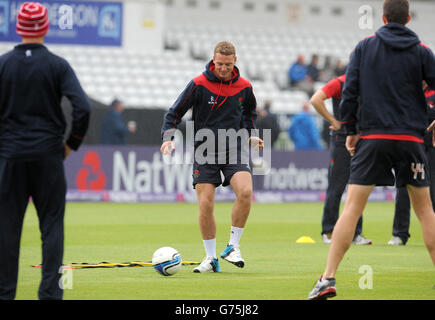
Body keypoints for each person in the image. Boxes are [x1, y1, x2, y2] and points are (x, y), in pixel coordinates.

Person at [308, 0, 435, 300]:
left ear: (382, 17)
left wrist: (350, 131)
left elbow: (350, 91)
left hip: (374, 137)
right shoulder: (421, 51)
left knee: (352, 207)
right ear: (407, 18)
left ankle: (327, 279)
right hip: (412, 140)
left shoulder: (365, 47)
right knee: (426, 210)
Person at [0, 2, 90, 300]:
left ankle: (5, 293)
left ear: (18, 28)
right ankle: (50, 292)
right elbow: (82, 107)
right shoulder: (57, 65)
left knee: (7, 229)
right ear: (45, 28)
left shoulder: (3, 64)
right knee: (51, 225)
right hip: (48, 155)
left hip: (10, 156)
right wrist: (70, 144)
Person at [160, 41, 263, 273]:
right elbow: (174, 112)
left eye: (227, 64)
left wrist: (253, 135)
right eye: (219, 64)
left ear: (235, 61)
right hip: (204, 151)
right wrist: (168, 138)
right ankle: (210, 258)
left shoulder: (245, 87)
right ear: (212, 60)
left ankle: (233, 247)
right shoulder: (199, 84)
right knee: (206, 205)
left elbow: (250, 114)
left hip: (234, 149)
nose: (223, 68)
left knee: (246, 192)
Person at [310, 74, 372, 245]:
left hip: (364, 140)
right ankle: (328, 231)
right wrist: (333, 120)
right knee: (337, 186)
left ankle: (355, 234)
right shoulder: (340, 82)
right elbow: (316, 99)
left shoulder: (370, 80)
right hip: (341, 139)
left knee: (358, 187)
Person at [389, 82, 435, 246]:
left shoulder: (433, 92)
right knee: (403, 189)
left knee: (432, 189)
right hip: (409, 146)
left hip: (430, 147)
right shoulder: (407, 90)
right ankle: (400, 234)